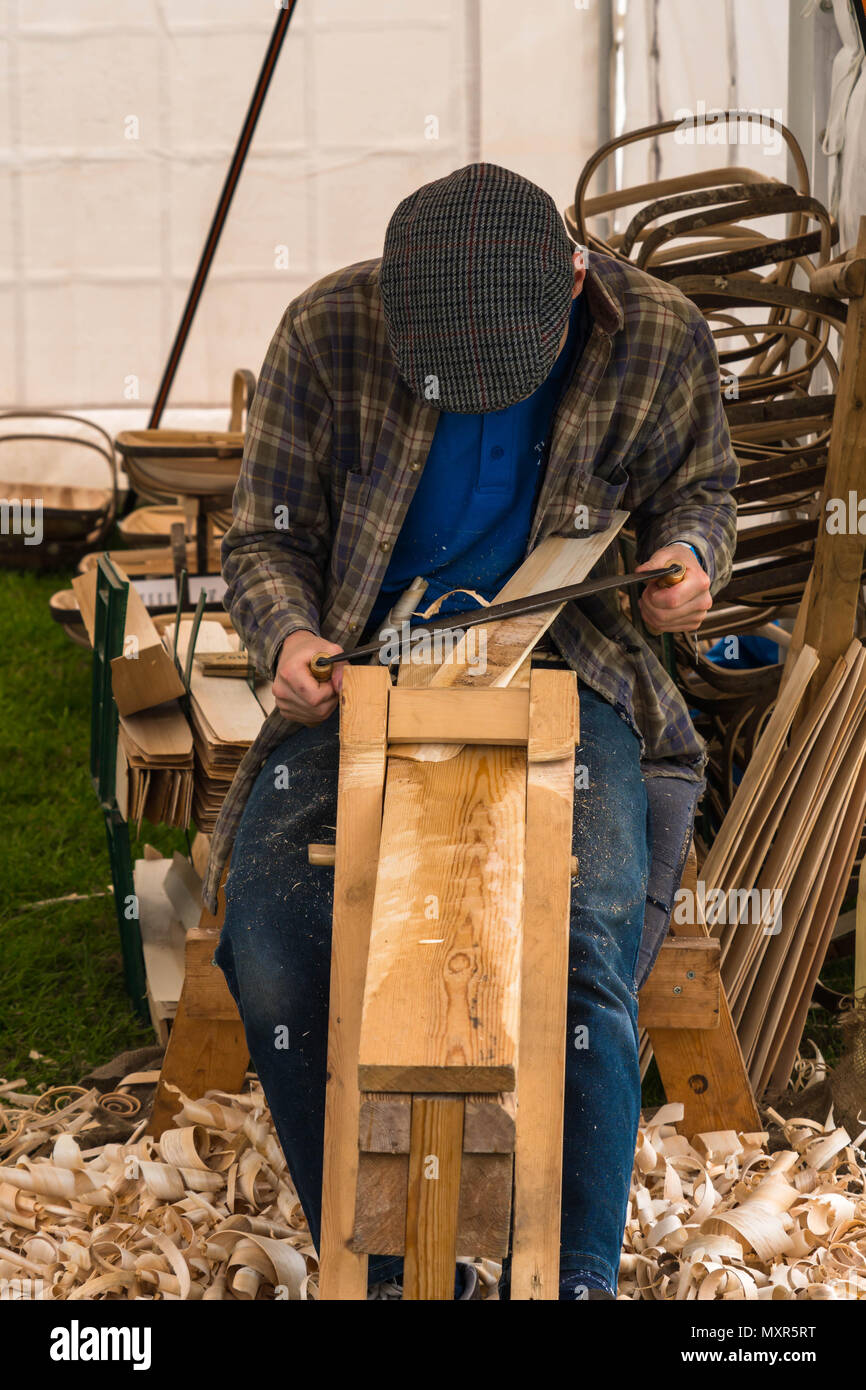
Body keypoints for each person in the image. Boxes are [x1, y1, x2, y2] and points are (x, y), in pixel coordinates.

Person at [204, 163, 738, 1300]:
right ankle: (389, 1269)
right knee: (276, 940)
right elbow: (261, 539)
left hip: (567, 666)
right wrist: (288, 640)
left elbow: (701, 486)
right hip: (367, 671)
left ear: (576, 284)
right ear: (395, 301)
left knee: (577, 936)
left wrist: (688, 561)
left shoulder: (655, 334)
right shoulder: (328, 329)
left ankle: (575, 1274)